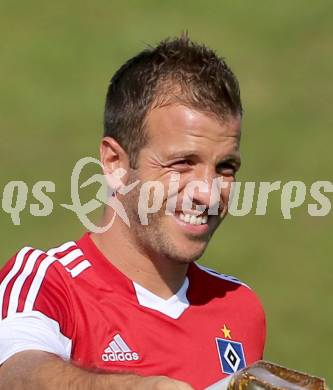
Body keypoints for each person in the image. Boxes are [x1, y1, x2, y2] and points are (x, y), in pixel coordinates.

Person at [0, 35, 266, 390]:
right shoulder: (47, 284)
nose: (207, 191)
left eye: (226, 167)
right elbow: (17, 374)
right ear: (116, 163)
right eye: (182, 163)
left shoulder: (240, 307)